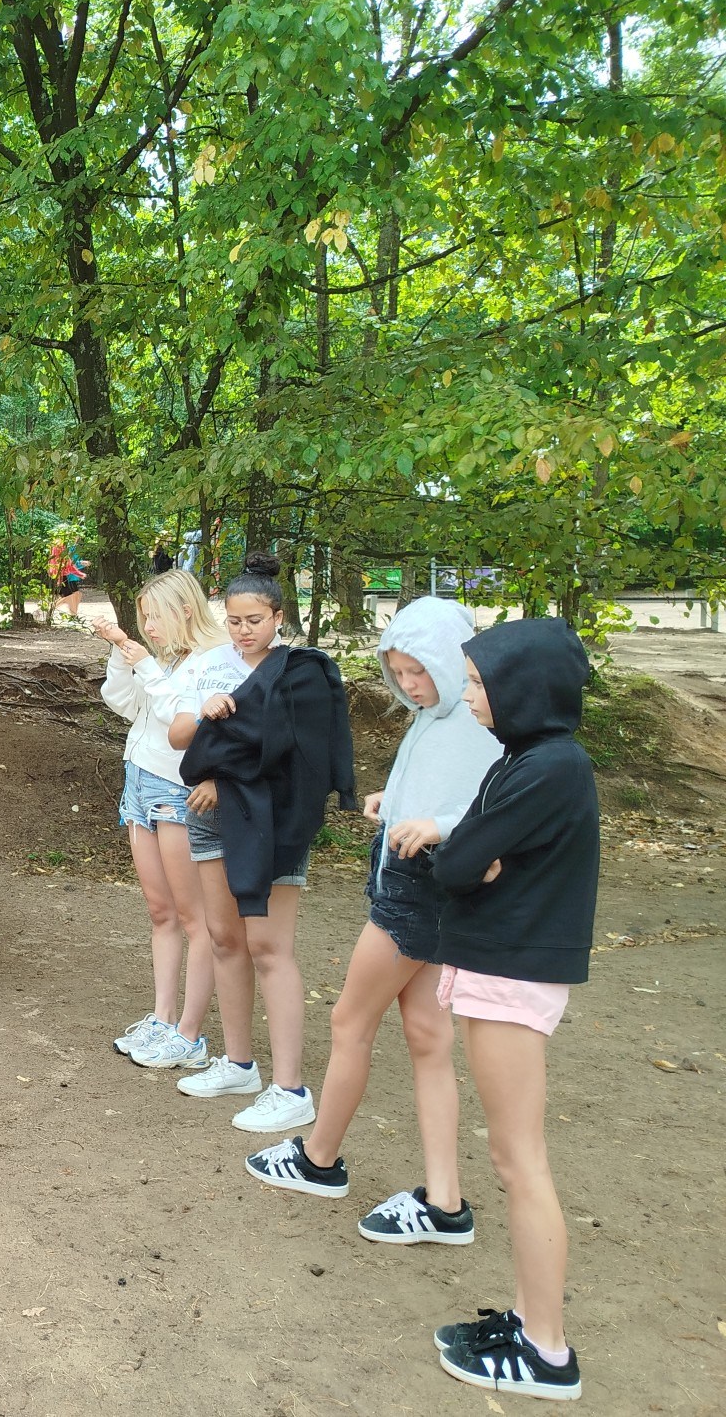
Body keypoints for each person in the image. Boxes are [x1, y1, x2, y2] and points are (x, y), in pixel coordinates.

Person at [246, 597, 499, 1243]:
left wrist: (436, 825)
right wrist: (399, 802)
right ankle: (445, 1202)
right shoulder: (437, 715)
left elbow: (489, 809)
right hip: (426, 889)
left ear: (450, 661)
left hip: (416, 894)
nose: (409, 684)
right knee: (428, 1036)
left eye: (420, 670)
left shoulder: (472, 721)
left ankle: (319, 1159)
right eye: (399, 672)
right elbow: (447, 792)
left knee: (350, 1022)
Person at [427, 618, 596, 1401]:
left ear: (523, 688)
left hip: (511, 971)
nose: (467, 695)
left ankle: (547, 1352)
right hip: (501, 963)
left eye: (478, 682)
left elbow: (457, 862)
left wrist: (469, 857)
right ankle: (529, 1321)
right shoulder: (528, 759)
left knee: (519, 1161)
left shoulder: (550, 767)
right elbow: (468, 853)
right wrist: (471, 856)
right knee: (514, 1156)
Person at [171, 553, 355, 1132]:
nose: (243, 630)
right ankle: (238, 1064)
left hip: (274, 822)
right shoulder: (212, 665)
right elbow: (185, 737)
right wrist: (207, 724)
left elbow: (298, 760)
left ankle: (291, 1088)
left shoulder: (302, 673)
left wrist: (222, 776)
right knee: (225, 940)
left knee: (270, 948)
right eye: (233, 620)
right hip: (209, 819)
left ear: (278, 616)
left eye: (254, 620)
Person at [94, 569, 224, 1068]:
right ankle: (163, 1017)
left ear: (185, 610)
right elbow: (124, 704)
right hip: (138, 783)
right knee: (161, 911)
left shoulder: (214, 661)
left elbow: (181, 723)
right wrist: (120, 653)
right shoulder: (166, 657)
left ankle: (190, 1034)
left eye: (155, 616)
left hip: (178, 791)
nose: (148, 626)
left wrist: (146, 664)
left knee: (196, 918)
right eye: (143, 618)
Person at [48, 539, 87, 619]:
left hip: (57, 574)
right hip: (61, 575)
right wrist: (79, 574)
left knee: (71, 595)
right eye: (76, 537)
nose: (77, 539)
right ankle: (47, 610)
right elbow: (69, 564)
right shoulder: (63, 546)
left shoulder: (57, 544)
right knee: (69, 596)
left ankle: (73, 616)